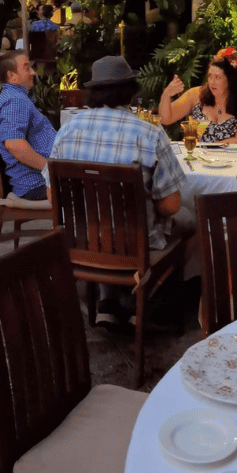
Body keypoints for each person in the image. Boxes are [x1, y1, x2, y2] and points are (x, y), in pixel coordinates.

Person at [45, 55, 187, 327]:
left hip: (82, 241)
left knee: (106, 225)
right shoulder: (149, 133)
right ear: (130, 91)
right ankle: (145, 296)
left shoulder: (68, 130)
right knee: (188, 218)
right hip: (135, 246)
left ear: (93, 92)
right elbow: (170, 206)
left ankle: (109, 299)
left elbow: (53, 196)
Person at [0, 51, 56, 201]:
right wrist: (51, 170)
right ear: (12, 75)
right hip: (38, 184)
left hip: (41, 180)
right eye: (27, 68)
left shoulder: (18, 97)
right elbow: (14, 144)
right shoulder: (15, 100)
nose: (33, 72)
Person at [158, 54, 237, 144]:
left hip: (230, 156)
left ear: (230, 80)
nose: (212, 82)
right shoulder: (195, 94)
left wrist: (211, 149)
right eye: (210, 76)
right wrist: (166, 95)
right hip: (196, 154)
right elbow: (165, 119)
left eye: (217, 77)